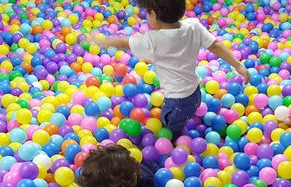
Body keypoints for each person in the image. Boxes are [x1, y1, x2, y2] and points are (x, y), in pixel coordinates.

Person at [86, 0, 250, 141]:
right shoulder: (193, 26)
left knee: (169, 131)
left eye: (147, 13)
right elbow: (215, 45)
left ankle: (175, 141)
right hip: (194, 93)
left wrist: (105, 41)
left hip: (176, 102)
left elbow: (125, 43)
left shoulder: (154, 40)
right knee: (182, 113)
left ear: (155, 15)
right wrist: (238, 65)